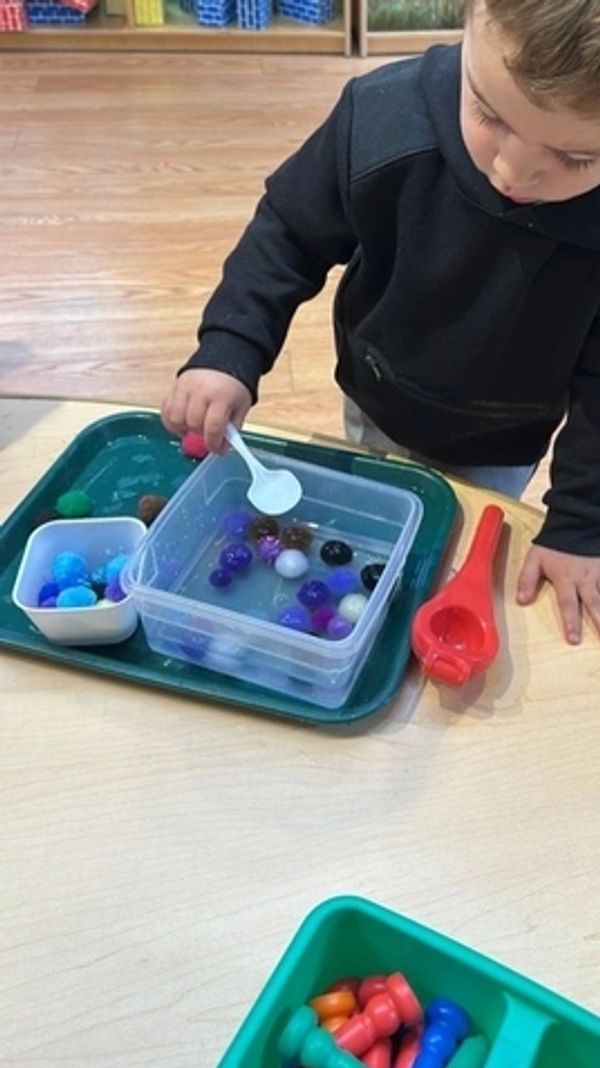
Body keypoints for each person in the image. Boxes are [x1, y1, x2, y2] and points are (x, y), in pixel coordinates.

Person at [161, 0, 600, 646]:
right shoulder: (383, 119)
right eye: (489, 114)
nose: (511, 170)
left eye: (575, 159)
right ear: (471, 16)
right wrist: (230, 348)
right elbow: (288, 232)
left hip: (502, 443)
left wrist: (579, 525)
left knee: (447, 553)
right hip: (377, 393)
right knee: (371, 514)